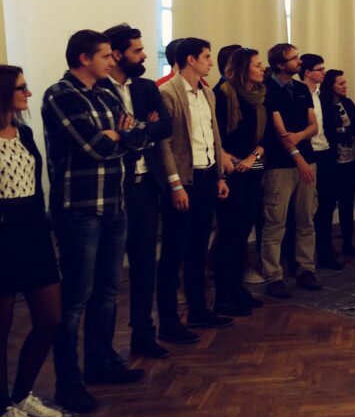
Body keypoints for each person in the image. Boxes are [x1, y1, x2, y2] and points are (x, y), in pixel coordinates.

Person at [43, 30, 147, 413]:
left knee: (107, 291)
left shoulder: (106, 93)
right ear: (85, 58)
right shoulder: (60, 95)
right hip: (79, 209)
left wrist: (118, 134)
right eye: (105, 55)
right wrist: (120, 135)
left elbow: (140, 138)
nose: (112, 60)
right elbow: (94, 147)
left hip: (114, 205)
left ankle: (101, 363)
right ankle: (69, 383)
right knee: (75, 298)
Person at [98, 24, 176, 359]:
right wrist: (144, 129)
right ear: (117, 55)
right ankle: (104, 351)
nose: (144, 55)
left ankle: (143, 335)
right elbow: (105, 137)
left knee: (145, 266)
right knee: (109, 273)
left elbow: (165, 127)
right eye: (137, 50)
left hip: (147, 187)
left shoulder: (145, 87)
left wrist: (132, 130)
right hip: (118, 188)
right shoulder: (98, 89)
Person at [0, 65, 65, 417]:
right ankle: (1, 408)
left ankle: (22, 394)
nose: (28, 93)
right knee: (2, 329)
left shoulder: (23, 132)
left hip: (34, 231)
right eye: (20, 88)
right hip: (3, 234)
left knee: (50, 319)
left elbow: (36, 184)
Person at [156, 38, 236, 326]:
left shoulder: (206, 92)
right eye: (206, 57)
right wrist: (175, 184)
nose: (211, 62)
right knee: (174, 251)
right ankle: (169, 321)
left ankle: (198, 310)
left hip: (207, 176)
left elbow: (214, 137)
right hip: (184, 181)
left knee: (199, 247)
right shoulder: (168, 92)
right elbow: (164, 144)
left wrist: (220, 176)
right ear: (191, 60)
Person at [211, 47, 268, 318]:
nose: (262, 68)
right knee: (229, 234)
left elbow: (265, 137)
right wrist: (229, 160)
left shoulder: (259, 95)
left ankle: (236, 288)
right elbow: (216, 135)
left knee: (244, 231)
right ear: (244, 68)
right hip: (230, 172)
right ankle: (223, 295)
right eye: (257, 65)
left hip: (253, 168)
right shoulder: (223, 94)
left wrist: (253, 156)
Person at [261, 43, 321, 298]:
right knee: (276, 222)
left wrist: (300, 136)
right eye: (294, 58)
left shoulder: (301, 88)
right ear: (279, 64)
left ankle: (305, 268)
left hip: (307, 158)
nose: (299, 61)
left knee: (306, 218)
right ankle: (273, 275)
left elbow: (314, 126)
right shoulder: (267, 89)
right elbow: (279, 132)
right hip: (280, 165)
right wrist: (298, 155)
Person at [301, 53, 346, 270]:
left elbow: (332, 124)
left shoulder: (325, 96)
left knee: (327, 205)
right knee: (305, 208)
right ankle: (301, 257)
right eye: (320, 69)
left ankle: (325, 251)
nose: (323, 73)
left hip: (326, 152)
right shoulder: (298, 94)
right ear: (307, 72)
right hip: (307, 154)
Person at [320, 69, 355, 256]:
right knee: (329, 204)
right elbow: (329, 130)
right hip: (333, 161)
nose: (345, 86)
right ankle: (326, 246)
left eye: (345, 83)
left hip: (351, 159)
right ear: (330, 85)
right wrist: (345, 130)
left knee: (347, 202)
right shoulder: (324, 104)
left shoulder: (347, 102)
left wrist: (343, 130)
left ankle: (348, 242)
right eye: (341, 83)